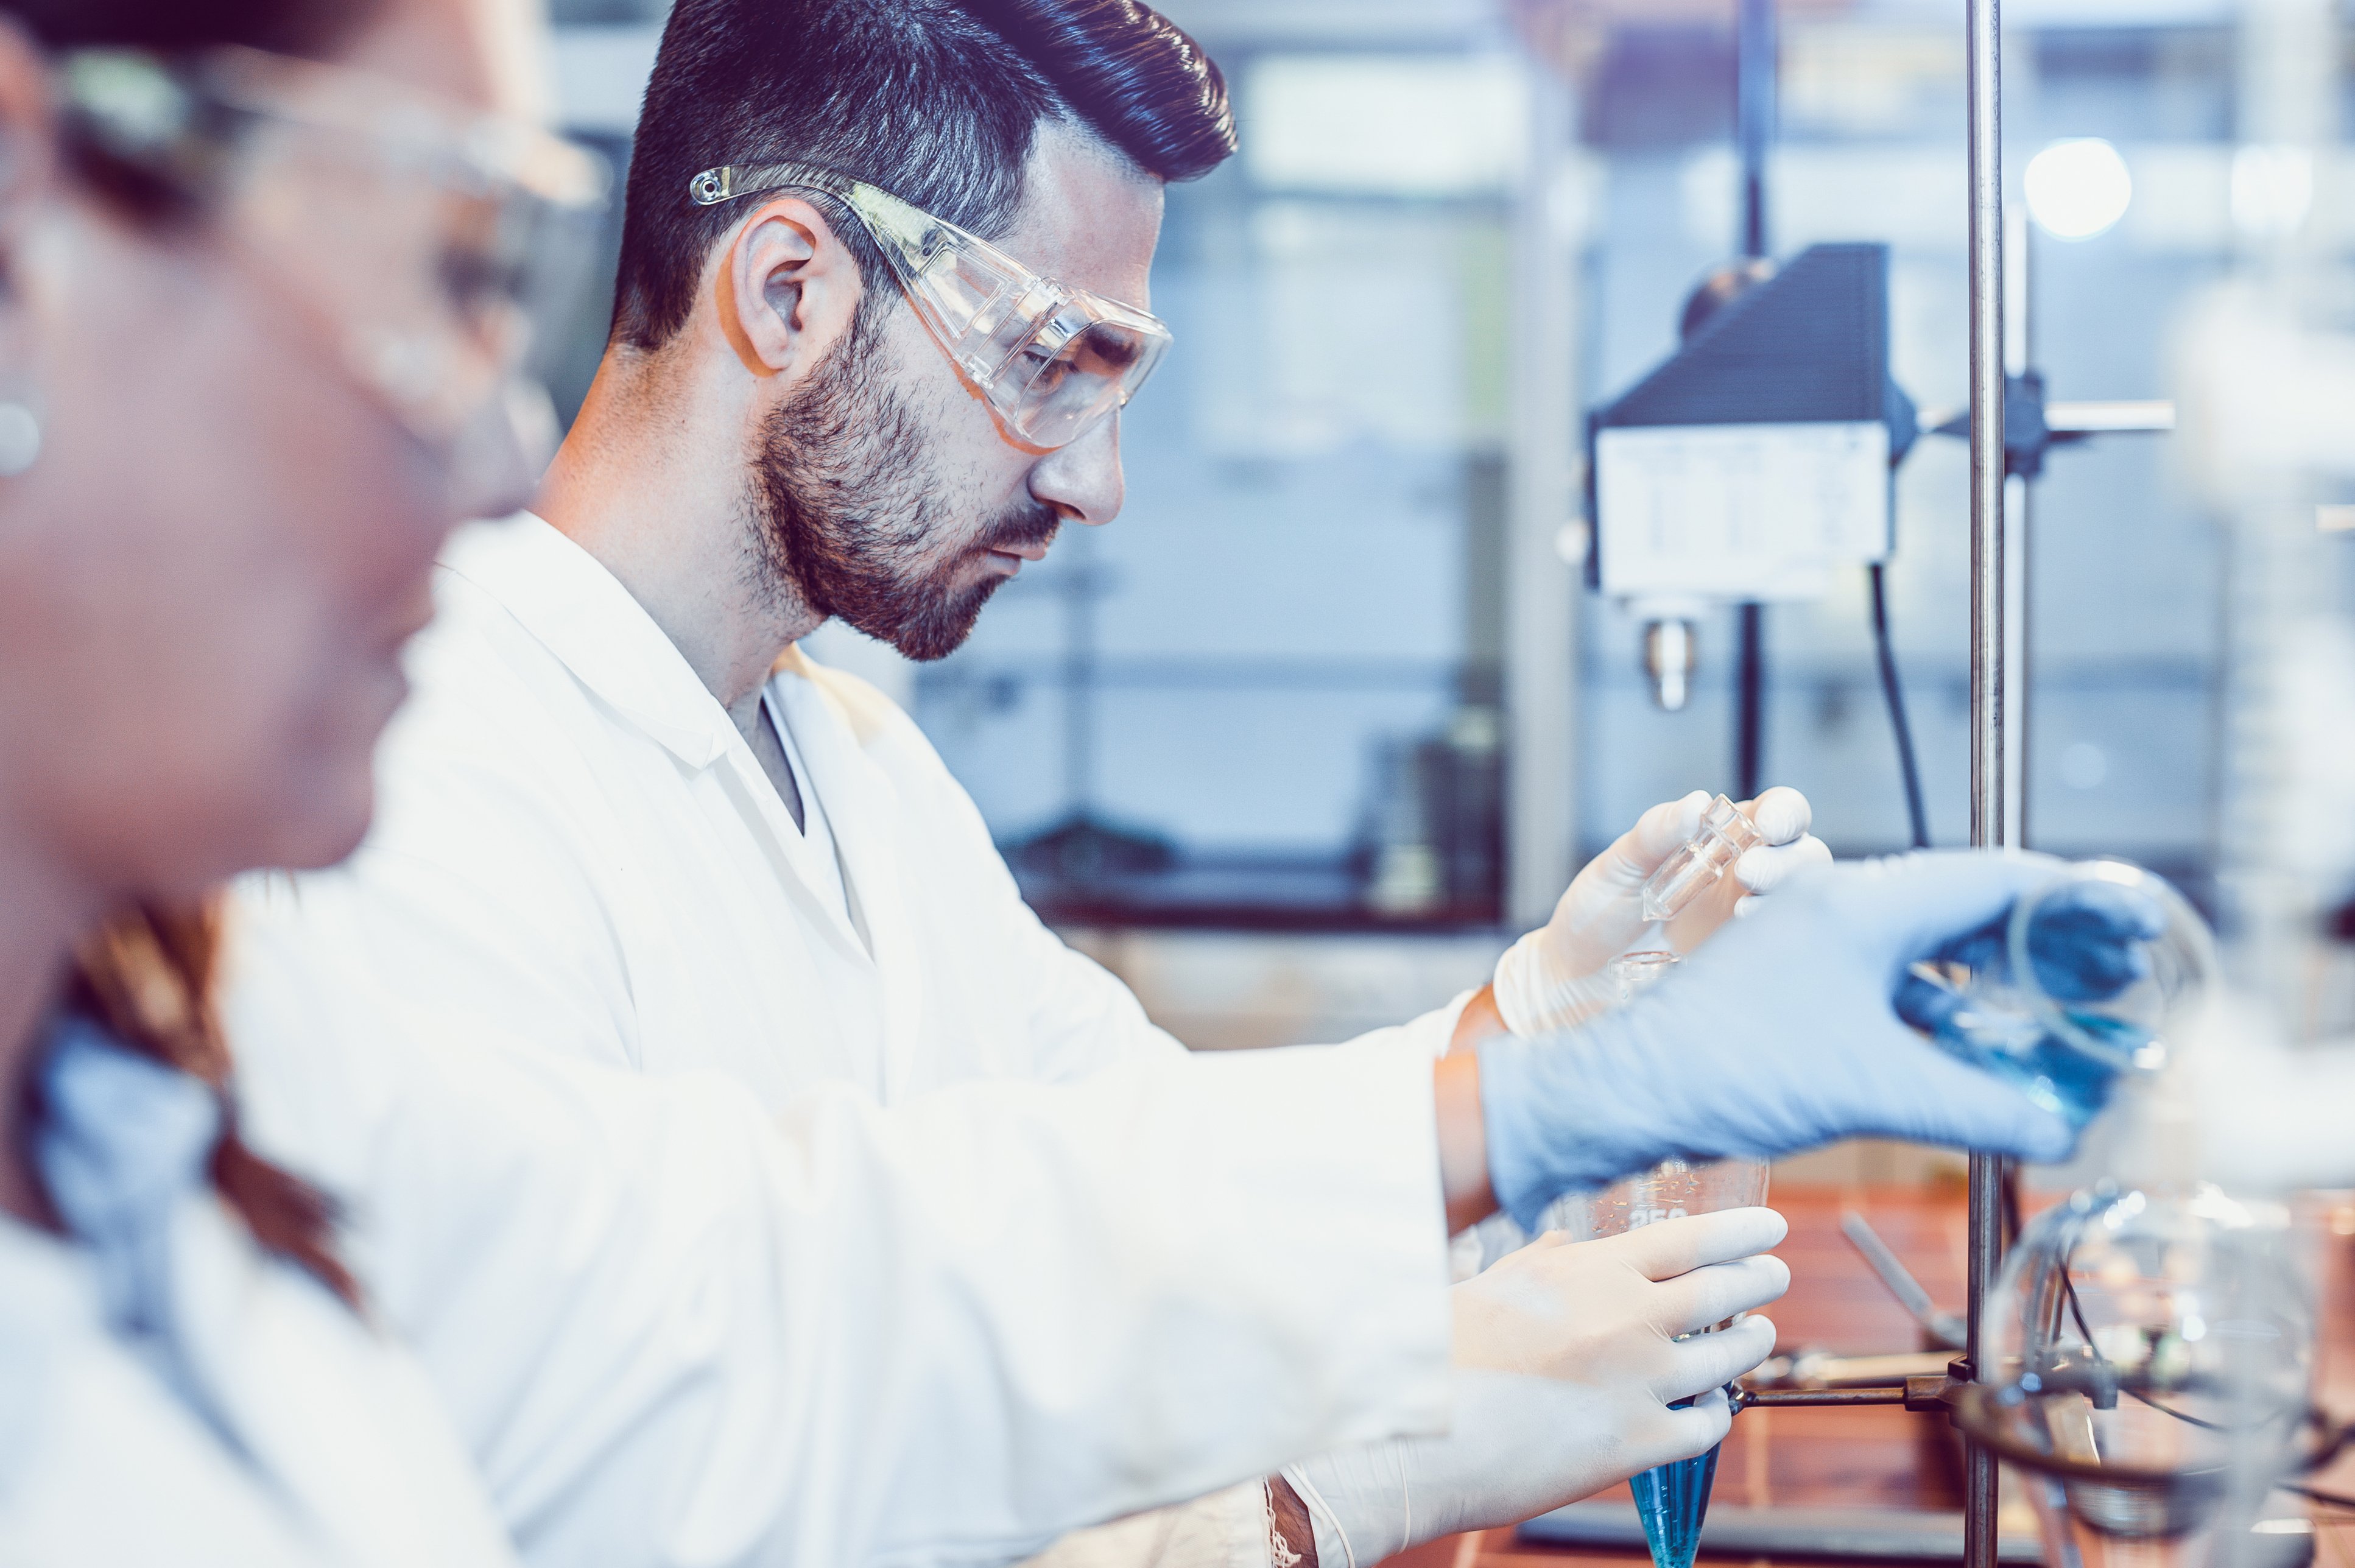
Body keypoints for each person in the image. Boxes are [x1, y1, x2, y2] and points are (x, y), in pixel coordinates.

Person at [0, 4, 2097, 1566]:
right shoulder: (404, 795)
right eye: (1052, 362)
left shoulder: (853, 762)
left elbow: (1053, 1205)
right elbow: (696, 1448)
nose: (1093, 483)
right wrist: (1337, 1476)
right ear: (792, 290)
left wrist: (1525, 1049)